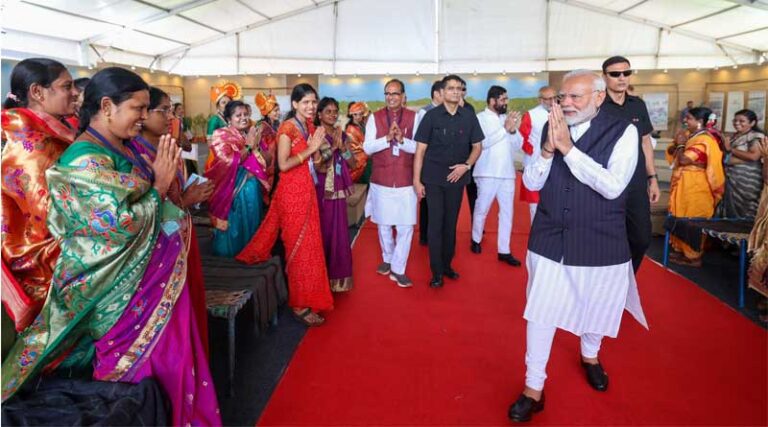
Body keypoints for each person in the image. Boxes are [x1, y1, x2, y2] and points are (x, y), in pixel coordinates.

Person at [1, 67, 221, 425]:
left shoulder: (125, 145)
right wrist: (161, 187)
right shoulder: (84, 161)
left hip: (158, 282)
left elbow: (150, 205)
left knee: (177, 365)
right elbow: (116, 226)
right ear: (107, 106)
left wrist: (166, 192)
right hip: (126, 297)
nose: (143, 117)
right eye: (138, 108)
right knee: (147, 378)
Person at [508, 70, 648, 423]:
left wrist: (568, 150)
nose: (566, 104)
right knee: (540, 311)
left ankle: (590, 355)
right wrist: (544, 150)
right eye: (562, 98)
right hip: (549, 237)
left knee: (597, 307)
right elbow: (532, 180)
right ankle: (533, 387)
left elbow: (613, 186)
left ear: (599, 97)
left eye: (575, 97)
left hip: (601, 239)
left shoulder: (624, 132)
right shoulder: (549, 128)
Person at [236, 83, 333, 327]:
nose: (311, 107)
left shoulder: (310, 125)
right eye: (306, 102)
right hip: (292, 193)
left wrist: (319, 152)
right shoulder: (288, 128)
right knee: (299, 248)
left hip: (307, 190)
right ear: (295, 104)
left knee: (310, 246)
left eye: (314, 102)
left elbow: (318, 159)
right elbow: (283, 164)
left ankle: (309, 293)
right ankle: (299, 304)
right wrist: (311, 149)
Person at [135, 87, 214, 354]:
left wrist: (189, 195)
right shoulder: (138, 156)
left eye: (172, 109)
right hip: (159, 252)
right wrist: (185, 201)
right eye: (164, 110)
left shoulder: (163, 147)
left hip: (182, 237)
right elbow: (143, 215)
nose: (172, 116)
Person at [1, 58, 78, 331]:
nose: (75, 93)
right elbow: (46, 214)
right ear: (37, 92)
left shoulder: (50, 132)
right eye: (66, 86)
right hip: (38, 258)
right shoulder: (28, 144)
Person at [414, 74, 484, 288]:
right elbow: (420, 152)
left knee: (450, 225)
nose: (456, 91)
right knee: (435, 225)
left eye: (459, 88)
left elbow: (477, 146)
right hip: (433, 179)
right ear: (442, 92)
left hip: (457, 179)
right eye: (451, 88)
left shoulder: (469, 117)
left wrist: (467, 165)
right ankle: (436, 272)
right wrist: (417, 181)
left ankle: (447, 266)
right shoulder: (431, 117)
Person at [600, 55, 660, 274]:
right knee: (605, 238)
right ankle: (607, 283)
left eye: (626, 73)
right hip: (604, 181)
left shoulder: (638, 105)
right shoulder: (597, 105)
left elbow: (645, 142)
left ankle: (626, 278)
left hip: (635, 182)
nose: (622, 78)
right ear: (604, 77)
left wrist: (652, 178)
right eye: (615, 74)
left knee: (641, 237)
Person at [363, 79, 419, 288]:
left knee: (406, 226)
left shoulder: (415, 117)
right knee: (384, 225)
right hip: (381, 180)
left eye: (396, 93)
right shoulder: (374, 118)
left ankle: (398, 268)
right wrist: (387, 138)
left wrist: (402, 141)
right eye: (388, 93)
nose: (391, 97)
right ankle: (387, 258)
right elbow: (367, 148)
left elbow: (420, 148)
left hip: (406, 181)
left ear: (404, 96)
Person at [205, 100, 271, 257]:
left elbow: (267, 160)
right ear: (229, 119)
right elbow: (226, 161)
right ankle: (232, 254)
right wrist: (248, 147)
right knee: (236, 223)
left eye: (246, 114)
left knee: (252, 220)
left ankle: (249, 251)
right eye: (238, 115)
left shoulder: (250, 134)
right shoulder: (220, 134)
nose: (244, 118)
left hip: (252, 187)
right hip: (232, 190)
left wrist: (256, 145)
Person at [666, 107, 725, 267]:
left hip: (696, 186)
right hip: (685, 184)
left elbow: (684, 159)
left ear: (699, 122)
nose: (685, 121)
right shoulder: (691, 136)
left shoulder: (704, 140)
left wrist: (679, 146)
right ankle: (684, 251)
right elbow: (674, 152)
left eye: (689, 118)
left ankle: (694, 257)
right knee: (681, 215)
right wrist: (677, 146)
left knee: (692, 219)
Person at [471, 85, 523, 266]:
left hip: (508, 174)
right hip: (486, 173)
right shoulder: (480, 118)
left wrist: (514, 130)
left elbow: (517, 146)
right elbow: (483, 143)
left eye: (506, 99)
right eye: (502, 99)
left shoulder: (506, 119)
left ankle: (504, 250)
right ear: (492, 101)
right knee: (481, 209)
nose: (506, 102)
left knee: (507, 213)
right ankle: (476, 239)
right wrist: (505, 129)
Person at [314, 97, 356, 292]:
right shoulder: (316, 135)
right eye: (328, 111)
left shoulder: (342, 134)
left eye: (335, 111)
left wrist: (344, 150)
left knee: (340, 231)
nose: (332, 115)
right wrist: (334, 148)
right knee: (326, 231)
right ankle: (321, 279)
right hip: (323, 189)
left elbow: (353, 163)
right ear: (319, 114)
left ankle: (338, 280)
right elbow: (318, 164)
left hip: (339, 187)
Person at [716, 109, 765, 219]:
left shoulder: (756, 136)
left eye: (742, 121)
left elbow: (754, 156)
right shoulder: (735, 136)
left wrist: (730, 149)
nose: (737, 123)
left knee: (746, 208)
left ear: (752, 123)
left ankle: (744, 234)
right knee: (728, 207)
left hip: (748, 180)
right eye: (735, 120)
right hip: (732, 179)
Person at [519, 86, 557, 223]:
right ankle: (536, 237)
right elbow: (521, 138)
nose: (552, 101)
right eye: (548, 99)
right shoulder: (531, 115)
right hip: (536, 163)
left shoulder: (563, 112)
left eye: (554, 98)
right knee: (535, 205)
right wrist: (534, 152)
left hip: (557, 165)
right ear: (540, 99)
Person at [415, 80, 444, 245]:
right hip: (428, 162)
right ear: (436, 94)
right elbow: (420, 140)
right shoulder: (424, 112)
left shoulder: (447, 111)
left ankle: (437, 234)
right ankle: (424, 235)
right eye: (444, 92)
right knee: (427, 201)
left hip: (442, 164)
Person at [255, 92, 281, 191]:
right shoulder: (262, 126)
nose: (278, 113)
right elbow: (259, 147)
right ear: (268, 112)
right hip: (267, 164)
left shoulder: (275, 124)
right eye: (275, 111)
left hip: (276, 163)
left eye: (278, 110)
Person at [345, 101, 372, 183]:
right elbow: (358, 146)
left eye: (360, 114)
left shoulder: (362, 125)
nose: (358, 116)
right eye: (355, 114)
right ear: (351, 114)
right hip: (359, 161)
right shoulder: (350, 129)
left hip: (367, 158)